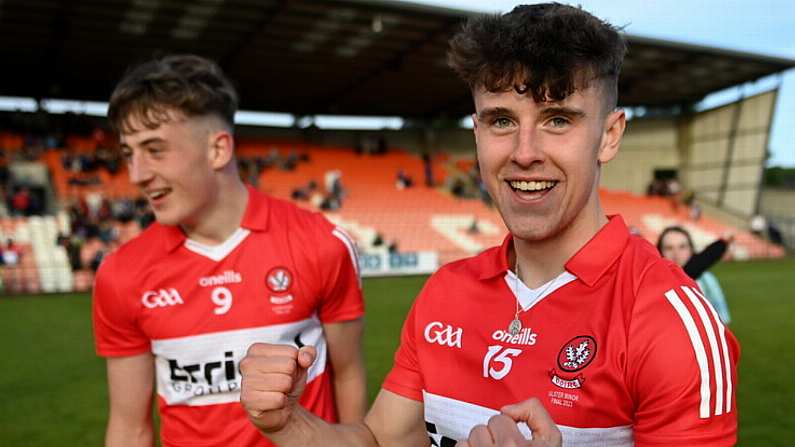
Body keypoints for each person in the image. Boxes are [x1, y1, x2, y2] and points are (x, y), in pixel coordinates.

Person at [240, 4, 738, 446]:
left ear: (609, 136)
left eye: (558, 120)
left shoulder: (672, 322)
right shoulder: (445, 292)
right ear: (477, 133)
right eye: (501, 121)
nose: (524, 153)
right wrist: (290, 425)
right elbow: (380, 440)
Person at [91, 55, 367, 447]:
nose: (137, 174)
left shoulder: (321, 243)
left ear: (218, 149)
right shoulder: (121, 273)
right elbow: (129, 425)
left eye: (154, 150)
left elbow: (349, 375)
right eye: (128, 153)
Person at [657, 226, 732, 324]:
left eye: (682, 247)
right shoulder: (653, 282)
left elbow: (722, 319)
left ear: (691, 249)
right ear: (659, 252)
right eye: (669, 248)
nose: (676, 253)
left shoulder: (708, 280)